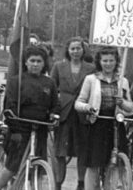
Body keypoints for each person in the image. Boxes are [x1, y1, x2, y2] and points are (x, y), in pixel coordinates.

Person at [0, 45, 59, 190]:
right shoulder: (16, 81)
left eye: (39, 61)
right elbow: (9, 104)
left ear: (44, 63)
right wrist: (13, 122)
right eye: (32, 61)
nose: (35, 64)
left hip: (40, 128)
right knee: (13, 166)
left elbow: (55, 105)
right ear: (26, 62)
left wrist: (54, 115)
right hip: (19, 128)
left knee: (38, 166)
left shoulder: (49, 83)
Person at [74, 47, 133, 190]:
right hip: (97, 124)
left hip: (115, 124)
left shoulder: (122, 81)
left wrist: (122, 103)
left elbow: (131, 107)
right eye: (105, 60)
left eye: (111, 60)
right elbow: (78, 102)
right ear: (99, 62)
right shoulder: (91, 79)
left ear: (116, 62)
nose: (108, 64)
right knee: (94, 164)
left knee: (113, 163)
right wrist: (87, 108)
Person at [50, 37, 95, 190]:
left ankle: (81, 183)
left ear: (83, 50)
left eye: (78, 48)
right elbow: (51, 87)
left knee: (82, 150)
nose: (76, 51)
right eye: (72, 48)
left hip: (82, 114)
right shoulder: (59, 66)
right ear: (68, 51)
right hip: (64, 112)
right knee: (61, 151)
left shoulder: (91, 68)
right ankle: (58, 182)